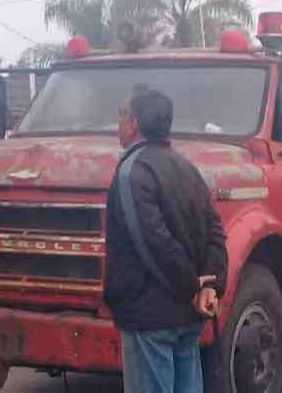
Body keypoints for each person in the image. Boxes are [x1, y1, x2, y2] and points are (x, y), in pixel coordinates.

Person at [104, 85, 228, 393]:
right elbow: (215, 230)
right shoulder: (188, 169)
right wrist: (209, 286)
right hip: (188, 317)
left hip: (149, 318)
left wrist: (193, 286)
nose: (117, 123)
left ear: (133, 123)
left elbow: (152, 241)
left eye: (121, 115)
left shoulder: (132, 171)